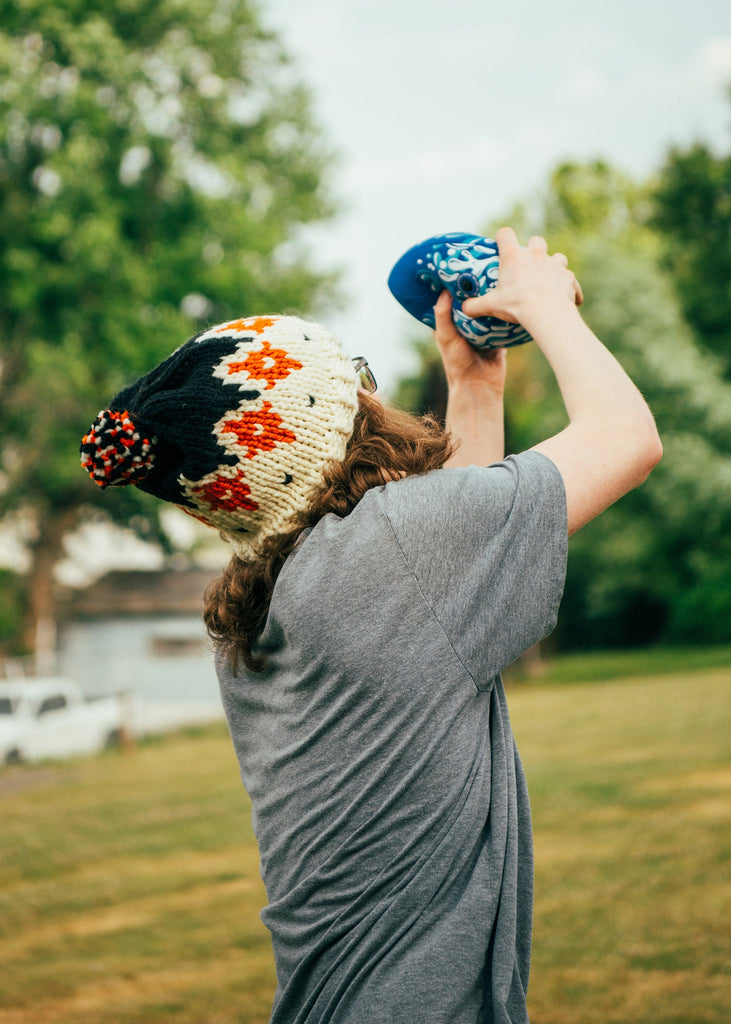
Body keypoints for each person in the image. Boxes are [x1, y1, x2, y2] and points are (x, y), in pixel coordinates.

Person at [80, 227, 662, 1023]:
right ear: (336, 418)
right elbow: (627, 440)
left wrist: (475, 386)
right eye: (357, 377)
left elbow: (443, 598)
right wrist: (548, 306)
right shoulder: (393, 546)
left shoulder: (275, 596)